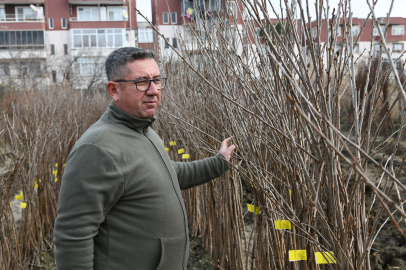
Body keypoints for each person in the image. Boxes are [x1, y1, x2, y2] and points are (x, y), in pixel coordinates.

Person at [53, 47, 236, 270]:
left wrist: (219, 162)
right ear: (114, 90)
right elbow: (73, 234)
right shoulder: (97, 148)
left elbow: (166, 173)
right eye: (141, 82)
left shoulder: (145, 131)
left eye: (157, 80)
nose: (153, 90)